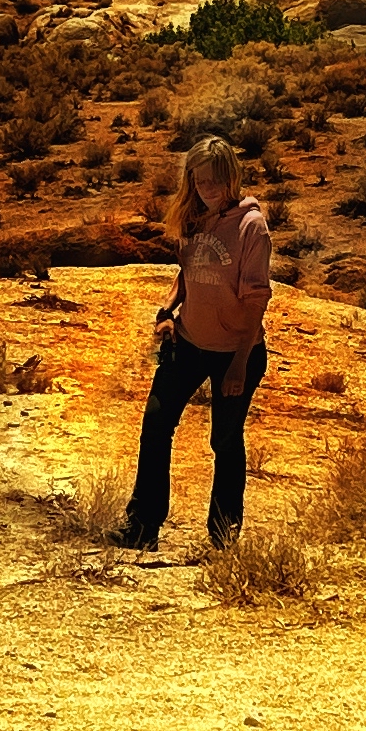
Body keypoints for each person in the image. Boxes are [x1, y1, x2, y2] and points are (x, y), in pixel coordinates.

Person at [114, 134, 271, 551]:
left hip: (237, 352)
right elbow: (188, 271)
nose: (208, 189)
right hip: (188, 341)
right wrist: (168, 308)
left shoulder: (250, 226)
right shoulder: (194, 218)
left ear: (231, 177)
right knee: (156, 424)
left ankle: (223, 538)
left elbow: (258, 299)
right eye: (200, 182)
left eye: (215, 181)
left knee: (224, 440)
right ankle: (142, 526)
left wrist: (239, 363)